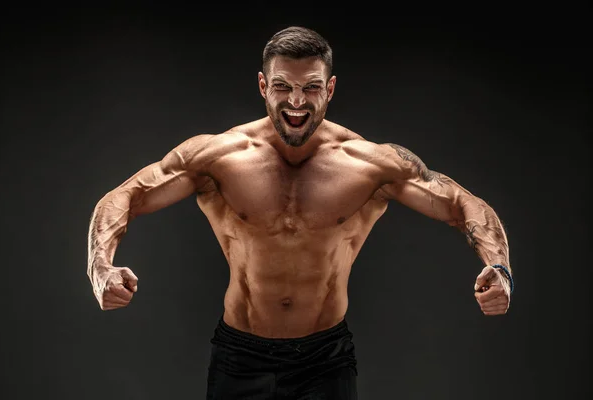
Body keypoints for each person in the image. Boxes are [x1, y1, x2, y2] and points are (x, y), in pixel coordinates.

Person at [87, 26, 513, 399]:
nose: (296, 102)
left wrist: (500, 268)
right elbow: (127, 195)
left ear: (329, 89)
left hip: (325, 359)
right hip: (239, 356)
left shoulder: (371, 165)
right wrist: (100, 267)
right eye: (282, 87)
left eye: (310, 87)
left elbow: (462, 202)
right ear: (262, 86)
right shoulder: (218, 157)